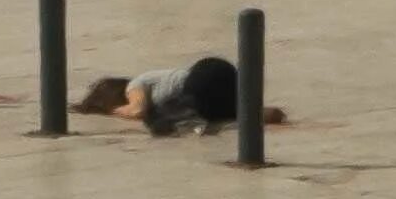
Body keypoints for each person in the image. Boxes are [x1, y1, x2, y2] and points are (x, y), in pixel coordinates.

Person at [72, 58, 286, 136]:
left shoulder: (135, 84)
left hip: (199, 84)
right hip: (212, 78)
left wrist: (109, 111)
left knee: (165, 120)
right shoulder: (154, 78)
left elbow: (137, 111)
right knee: (243, 115)